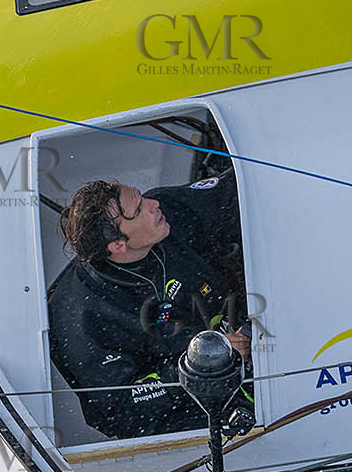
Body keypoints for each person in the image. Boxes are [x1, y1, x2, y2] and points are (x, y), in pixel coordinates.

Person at [48, 172, 251, 440]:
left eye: (142, 197)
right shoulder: (81, 318)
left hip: (251, 332)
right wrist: (198, 365)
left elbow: (237, 190)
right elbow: (120, 410)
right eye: (139, 210)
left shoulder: (167, 212)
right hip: (199, 418)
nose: (154, 205)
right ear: (118, 245)